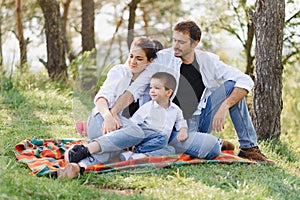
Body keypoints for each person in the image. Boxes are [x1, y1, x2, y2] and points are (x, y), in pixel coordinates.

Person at [108, 20, 274, 163]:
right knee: (209, 148)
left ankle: (248, 148)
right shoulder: (163, 58)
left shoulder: (208, 61)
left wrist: (225, 105)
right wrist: (113, 113)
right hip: (174, 127)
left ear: (195, 43)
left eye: (181, 42)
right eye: (174, 40)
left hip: (200, 118)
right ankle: (214, 143)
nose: (175, 46)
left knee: (233, 86)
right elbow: (135, 89)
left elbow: (245, 80)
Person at [58, 37, 168, 178]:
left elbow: (132, 97)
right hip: (100, 118)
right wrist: (109, 116)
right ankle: (85, 150)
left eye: (139, 59)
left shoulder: (146, 81)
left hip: (121, 127)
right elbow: (101, 98)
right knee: (137, 133)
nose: (133, 62)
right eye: (131, 56)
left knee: (160, 137)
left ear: (150, 61)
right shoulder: (119, 71)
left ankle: (78, 167)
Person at [120, 72, 188, 160]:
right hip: (145, 137)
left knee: (171, 149)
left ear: (168, 92)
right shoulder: (148, 107)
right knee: (163, 137)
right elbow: (133, 122)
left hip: (157, 144)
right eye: (151, 87)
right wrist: (133, 140)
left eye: (157, 88)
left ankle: (139, 157)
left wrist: (183, 130)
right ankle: (137, 151)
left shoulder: (175, 110)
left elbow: (181, 121)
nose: (152, 91)